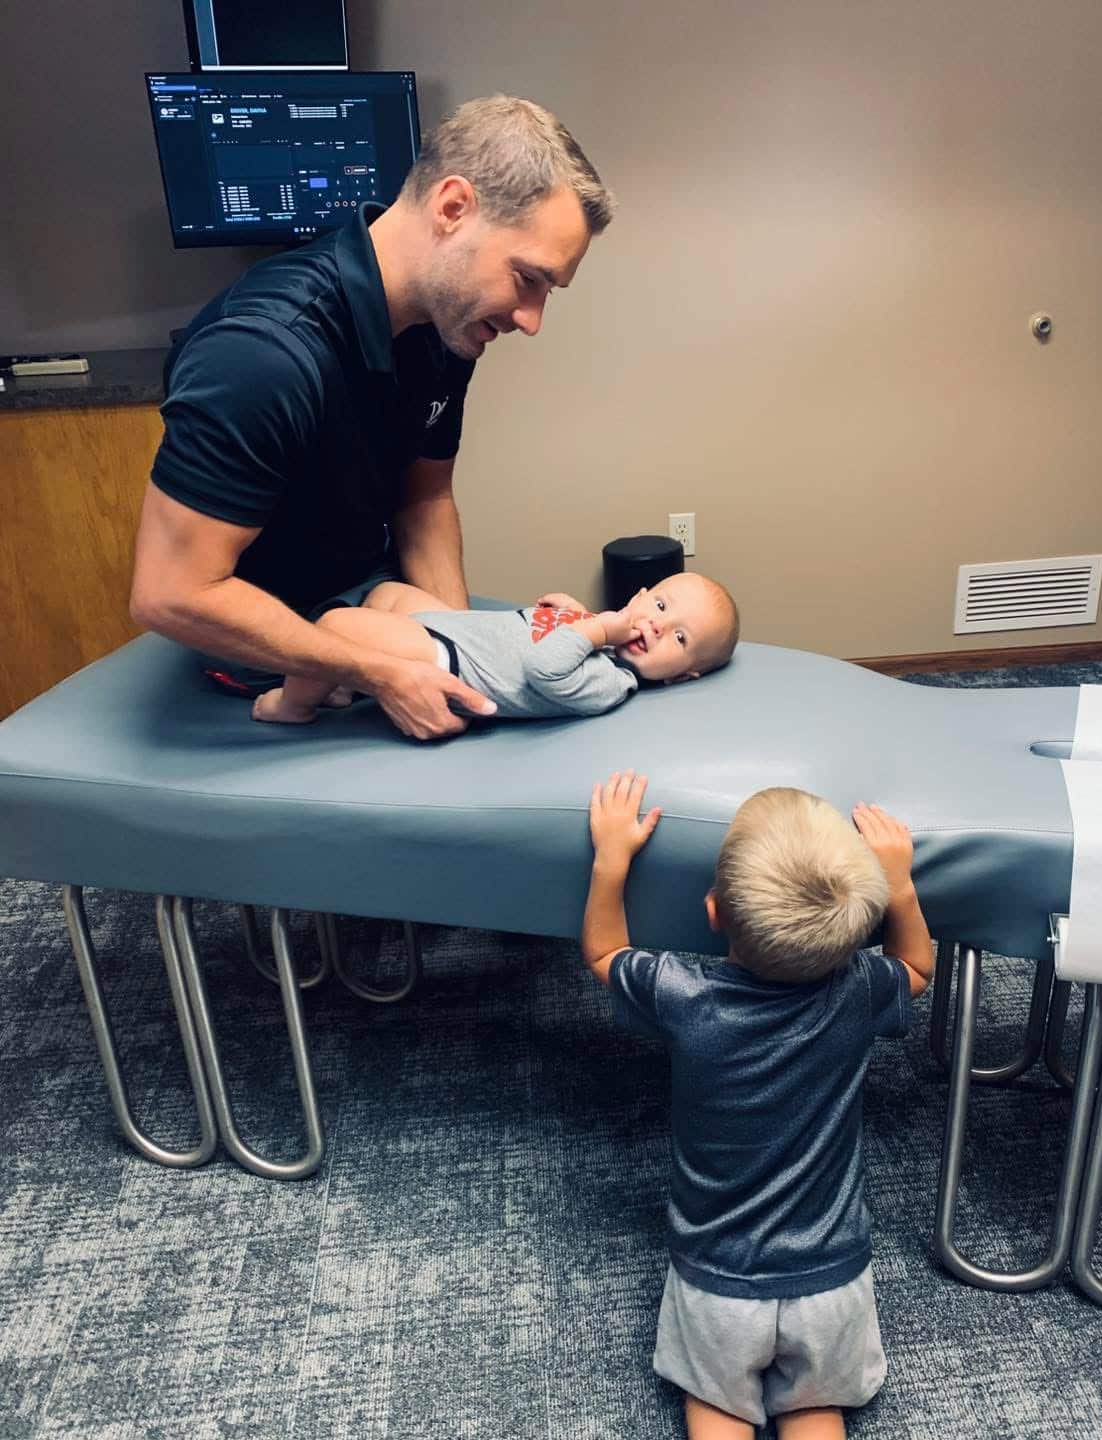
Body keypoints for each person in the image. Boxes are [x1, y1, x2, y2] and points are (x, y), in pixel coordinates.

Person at [129, 96, 615, 740]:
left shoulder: (446, 330)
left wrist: (460, 652)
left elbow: (425, 497)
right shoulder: (262, 357)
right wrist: (384, 672)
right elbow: (172, 594)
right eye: (528, 278)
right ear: (452, 209)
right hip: (274, 652)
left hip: (373, 598)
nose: (531, 320)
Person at [581, 776, 934, 1440]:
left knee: (717, 1410)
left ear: (713, 913)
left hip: (718, 1286)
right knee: (814, 1409)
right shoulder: (859, 994)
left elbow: (604, 952)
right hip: (832, 1285)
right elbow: (916, 967)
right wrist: (902, 886)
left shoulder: (684, 997)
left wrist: (611, 860)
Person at [251, 571, 740, 725]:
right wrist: (577, 613)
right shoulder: (605, 631)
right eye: (659, 604)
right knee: (388, 594)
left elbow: (545, 667)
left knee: (336, 626)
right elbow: (568, 634)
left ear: (680, 675)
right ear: (637, 597)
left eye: (679, 637)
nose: (656, 626)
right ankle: (348, 685)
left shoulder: (611, 684)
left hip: (451, 662)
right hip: (463, 629)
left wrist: (596, 632)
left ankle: (293, 704)